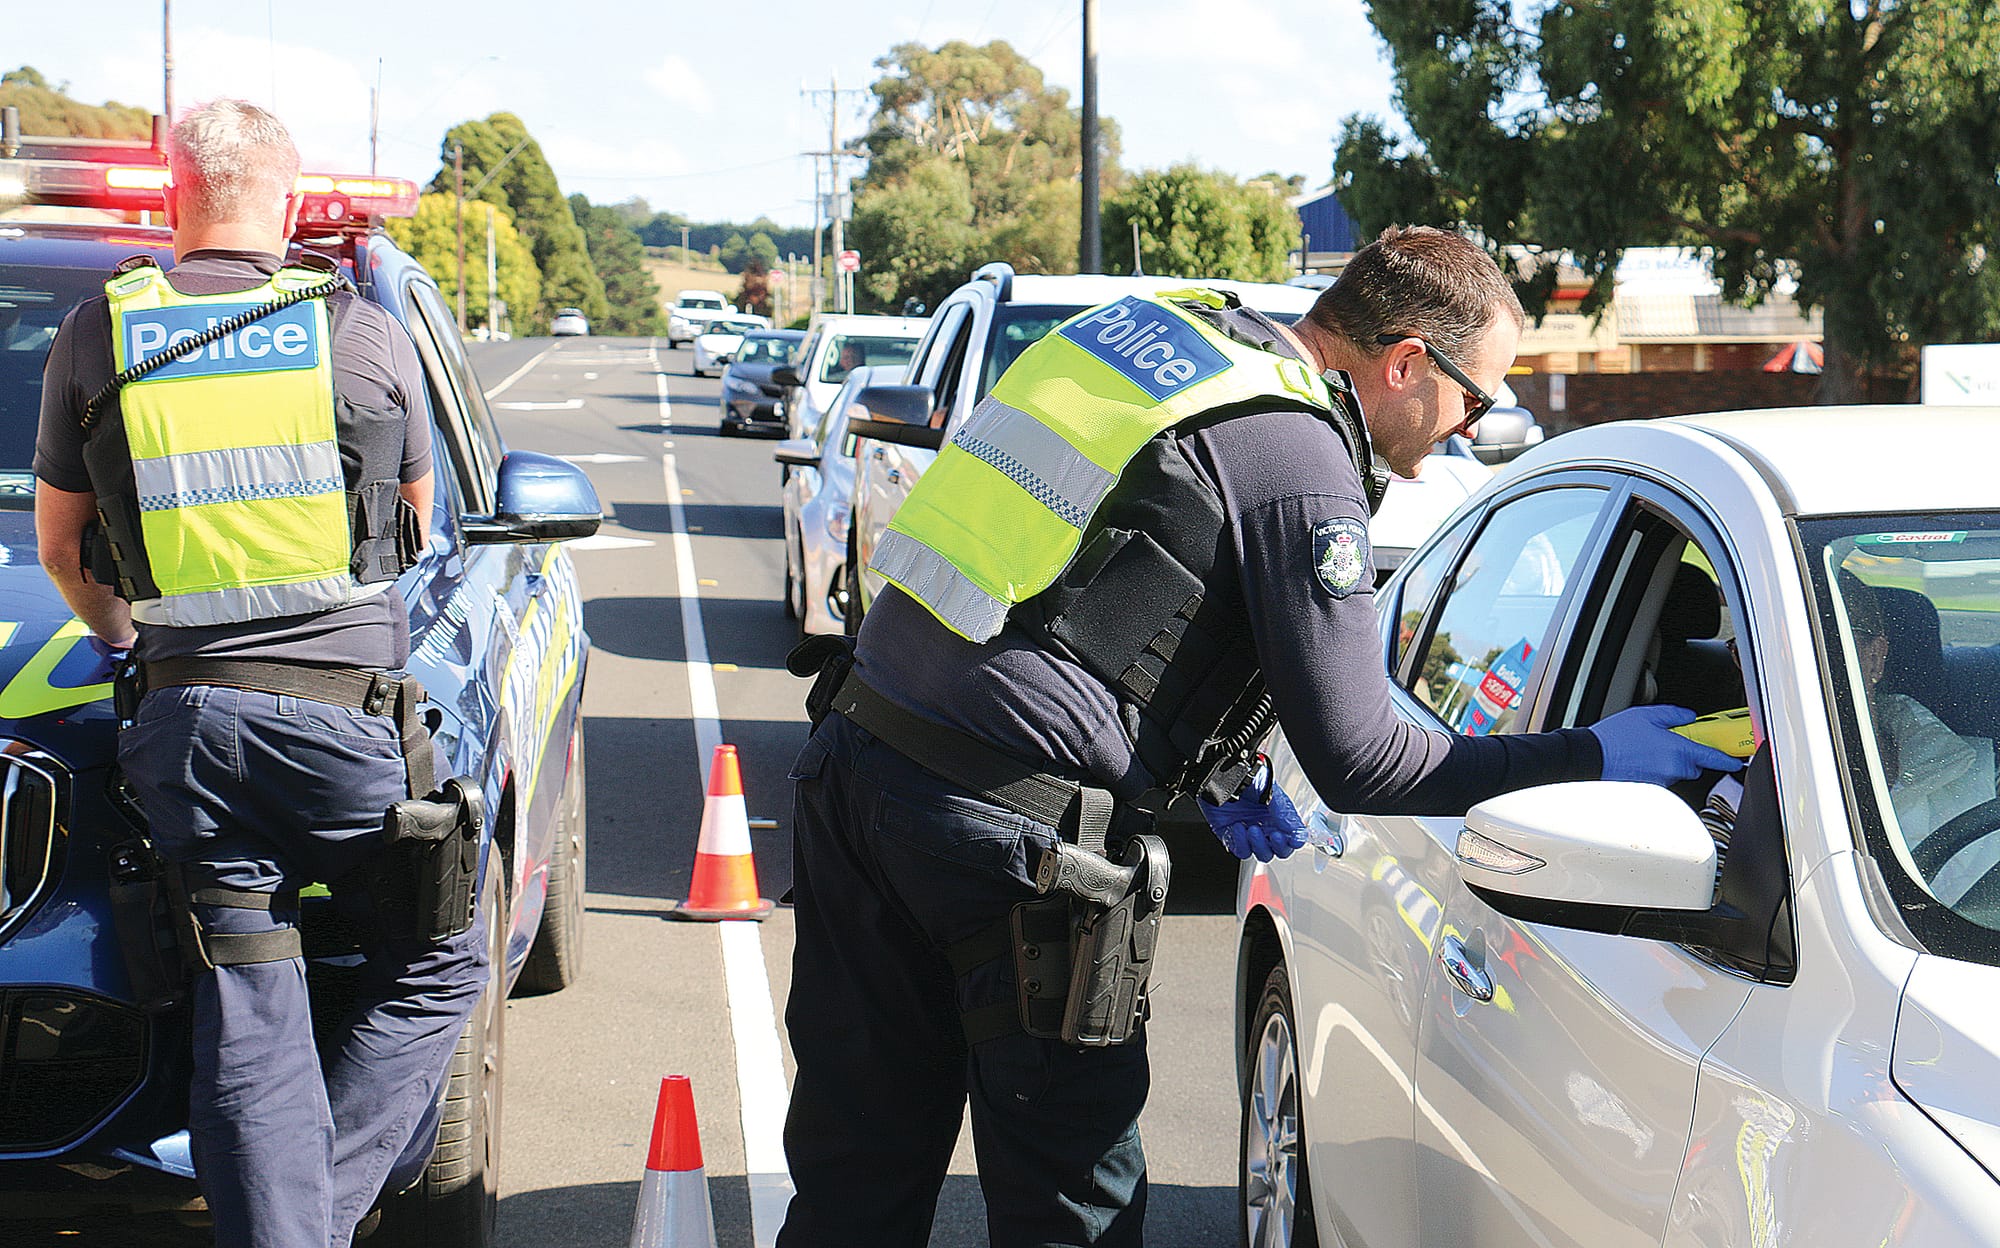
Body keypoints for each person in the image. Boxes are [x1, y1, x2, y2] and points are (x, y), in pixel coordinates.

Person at [777, 226, 1741, 1247]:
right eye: (1475, 399)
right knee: (1068, 1202)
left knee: (855, 1170)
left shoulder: (1165, 338)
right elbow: (1361, 757)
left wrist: (1218, 765)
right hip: (1007, 844)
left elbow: (1113, 576)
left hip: (853, 759)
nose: (1466, 430)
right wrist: (1596, 753)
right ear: (1405, 360)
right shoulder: (1296, 453)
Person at [34, 100, 484, 1248]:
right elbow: (419, 530)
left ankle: (288, 1230)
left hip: (186, 730)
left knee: (249, 1001)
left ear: (170, 192)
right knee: (440, 958)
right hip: (344, 729)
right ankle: (314, 1224)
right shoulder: (359, 329)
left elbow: (59, 548)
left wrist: (135, 637)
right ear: (284, 202)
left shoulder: (101, 332)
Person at [1837, 569, 1997, 901]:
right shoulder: (1745, 792)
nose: (1798, 657)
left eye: (1834, 636)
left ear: (1876, 656)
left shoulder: (1987, 771)